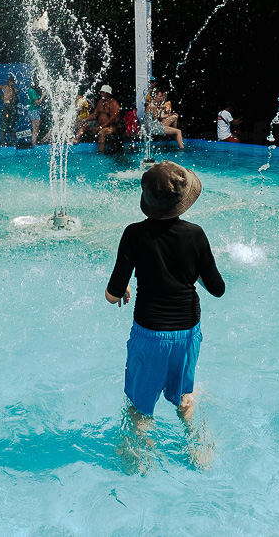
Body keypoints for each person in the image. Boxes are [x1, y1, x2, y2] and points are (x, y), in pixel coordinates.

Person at [105, 161, 225, 470]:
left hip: (150, 334)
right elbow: (217, 288)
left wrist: (125, 288)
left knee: (140, 408)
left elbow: (112, 295)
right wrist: (191, 272)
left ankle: (142, 461)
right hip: (187, 333)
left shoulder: (134, 234)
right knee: (185, 398)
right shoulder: (196, 234)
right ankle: (198, 448)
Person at [77, 85, 120, 154]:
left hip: (111, 127)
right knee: (84, 125)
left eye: (103, 92)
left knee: (102, 133)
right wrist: (84, 120)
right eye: (101, 92)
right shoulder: (100, 102)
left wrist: (101, 127)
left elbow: (113, 119)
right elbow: (94, 115)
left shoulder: (113, 103)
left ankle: (100, 152)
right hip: (100, 126)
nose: (102, 94)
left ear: (108, 93)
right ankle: (76, 139)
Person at [0, 73, 20, 147]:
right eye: (11, 81)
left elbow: (16, 99)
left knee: (10, 125)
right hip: (8, 107)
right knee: (5, 125)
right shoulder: (7, 87)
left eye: (12, 82)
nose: (11, 83)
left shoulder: (13, 89)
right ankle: (5, 141)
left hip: (11, 107)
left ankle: (10, 141)